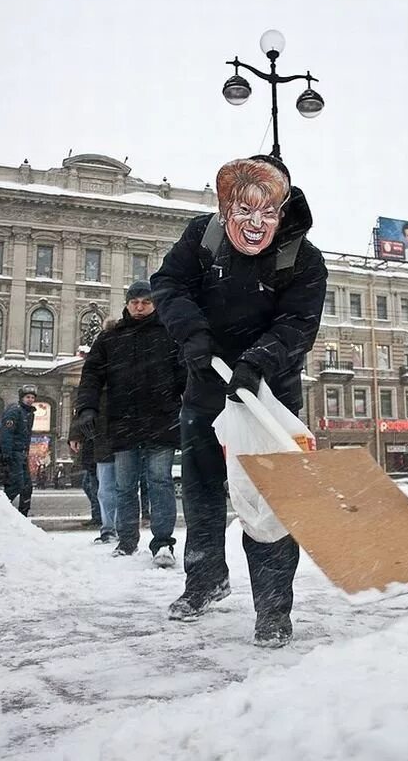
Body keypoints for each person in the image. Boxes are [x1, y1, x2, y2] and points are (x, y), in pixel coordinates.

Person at [151, 155, 328, 648]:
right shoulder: (201, 236)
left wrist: (257, 362)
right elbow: (169, 284)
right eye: (243, 211)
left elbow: (298, 323)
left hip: (269, 392)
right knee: (203, 489)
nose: (254, 224)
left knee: (271, 499)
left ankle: (273, 610)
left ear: (282, 207)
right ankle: (205, 580)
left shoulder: (303, 258)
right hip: (206, 382)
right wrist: (191, 332)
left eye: (267, 212)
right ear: (227, 206)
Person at [75, 280, 185, 565]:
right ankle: (126, 541)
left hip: (161, 422)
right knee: (124, 486)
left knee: (160, 482)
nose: (139, 306)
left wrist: (190, 407)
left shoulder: (170, 334)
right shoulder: (110, 338)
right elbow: (91, 376)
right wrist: (86, 408)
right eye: (134, 302)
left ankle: (163, 544)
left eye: (145, 302)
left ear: (154, 304)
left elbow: (186, 376)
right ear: (127, 303)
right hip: (122, 424)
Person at [0, 383, 38, 516]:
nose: (30, 399)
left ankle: (23, 516)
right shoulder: (14, 411)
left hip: (22, 454)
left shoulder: (29, 413)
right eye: (27, 397)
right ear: (21, 398)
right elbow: (6, 433)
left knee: (27, 487)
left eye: (32, 397)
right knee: (16, 485)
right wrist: (7, 453)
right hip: (14, 453)